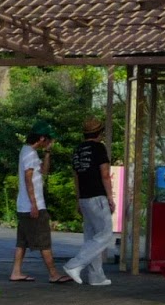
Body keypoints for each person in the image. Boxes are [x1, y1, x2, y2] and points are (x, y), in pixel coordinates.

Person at [10, 120, 69, 283]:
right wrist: (34, 204)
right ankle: (53, 274)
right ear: (42, 138)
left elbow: (44, 171)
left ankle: (16, 272)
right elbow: (28, 179)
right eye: (48, 139)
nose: (49, 142)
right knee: (44, 241)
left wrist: (48, 153)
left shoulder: (28, 151)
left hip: (24, 206)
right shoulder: (29, 153)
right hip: (32, 206)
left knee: (22, 242)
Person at [62, 116, 116, 286]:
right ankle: (74, 264)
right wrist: (110, 197)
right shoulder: (99, 148)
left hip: (84, 198)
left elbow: (76, 177)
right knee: (105, 235)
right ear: (100, 132)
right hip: (98, 196)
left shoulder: (78, 150)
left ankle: (96, 276)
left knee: (92, 237)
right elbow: (105, 174)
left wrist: (78, 199)